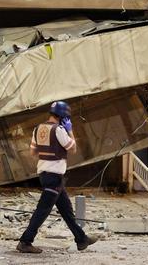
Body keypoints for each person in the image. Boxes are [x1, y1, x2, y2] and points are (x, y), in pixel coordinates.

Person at [16, 101, 97, 253]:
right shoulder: (59, 130)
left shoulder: (38, 128)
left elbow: (33, 152)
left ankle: (81, 239)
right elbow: (72, 148)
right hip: (54, 176)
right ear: (62, 116)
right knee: (43, 210)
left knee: (66, 210)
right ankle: (25, 241)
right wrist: (70, 131)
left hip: (45, 174)